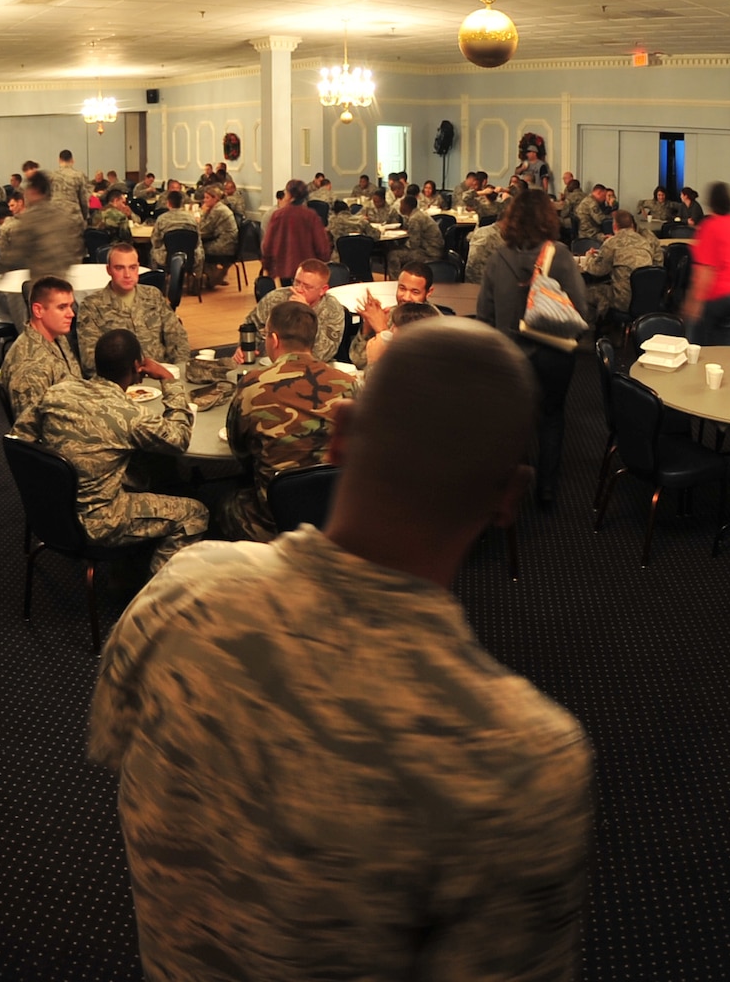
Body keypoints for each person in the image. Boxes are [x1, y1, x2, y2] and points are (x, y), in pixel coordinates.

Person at [90, 319, 593, 981]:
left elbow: (110, 745)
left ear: (342, 433)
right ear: (509, 498)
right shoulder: (524, 763)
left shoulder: (182, 592)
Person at [15, 328, 209, 569]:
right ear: (137, 367)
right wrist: (169, 381)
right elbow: (179, 439)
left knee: (145, 468)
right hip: (97, 521)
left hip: (52, 507)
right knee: (195, 514)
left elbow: (20, 438)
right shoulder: (130, 415)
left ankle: (125, 572)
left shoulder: (57, 392)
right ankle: (156, 597)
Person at [477, 185, 588, 510]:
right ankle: (547, 489)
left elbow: (485, 314)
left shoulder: (498, 259)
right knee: (552, 417)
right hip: (554, 353)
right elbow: (580, 308)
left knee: (512, 420)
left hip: (509, 355)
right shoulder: (562, 255)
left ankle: (512, 484)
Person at [215, 301, 359, 544]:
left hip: (274, 519)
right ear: (312, 340)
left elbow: (239, 449)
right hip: (336, 514)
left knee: (226, 503)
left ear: (273, 338)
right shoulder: (348, 383)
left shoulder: (253, 384)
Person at [80, 243, 188, 375]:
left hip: (162, 374)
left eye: (132, 268)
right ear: (109, 270)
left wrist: (178, 372)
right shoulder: (92, 306)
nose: (127, 274)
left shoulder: (153, 296)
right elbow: (90, 360)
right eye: (119, 268)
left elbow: (177, 338)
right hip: (120, 383)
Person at [680, 181, 730, 346]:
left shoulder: (709, 226)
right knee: (724, 339)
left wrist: (694, 302)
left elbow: (705, 270)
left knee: (696, 339)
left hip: (718, 293)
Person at [0, 275, 81, 416]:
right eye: (62, 307)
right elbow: (31, 429)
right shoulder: (29, 367)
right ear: (38, 310)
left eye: (70, 306)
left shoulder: (57, 336)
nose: (71, 314)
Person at [244, 260, 347, 362]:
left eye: (307, 287)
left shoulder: (332, 309)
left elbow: (321, 355)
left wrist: (306, 313)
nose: (299, 289)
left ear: (322, 290)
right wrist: (244, 347)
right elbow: (250, 326)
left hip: (310, 368)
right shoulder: (275, 298)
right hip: (269, 363)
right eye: (297, 282)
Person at [0, 170, 83, 286]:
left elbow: (15, 253)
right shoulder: (62, 216)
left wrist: (0, 275)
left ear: (34, 191)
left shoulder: (30, 219)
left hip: (42, 283)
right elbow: (76, 248)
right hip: (64, 281)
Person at [581, 209, 657, 322]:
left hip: (623, 300)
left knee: (584, 292)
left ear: (614, 226)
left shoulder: (612, 243)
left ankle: (592, 332)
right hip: (646, 299)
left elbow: (598, 270)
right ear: (632, 225)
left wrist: (588, 258)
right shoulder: (645, 242)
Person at [263, 180, 330, 285]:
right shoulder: (311, 216)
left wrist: (268, 266)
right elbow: (322, 245)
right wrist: (322, 262)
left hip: (285, 268)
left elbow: (268, 244)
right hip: (308, 269)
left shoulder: (278, 215)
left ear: (289, 195)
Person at [392, 188, 445, 270]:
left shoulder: (415, 219)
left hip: (429, 253)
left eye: (401, 205)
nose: (400, 207)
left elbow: (414, 244)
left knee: (393, 255)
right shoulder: (419, 214)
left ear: (407, 206)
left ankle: (395, 281)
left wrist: (401, 246)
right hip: (434, 249)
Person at [149, 189, 200, 269]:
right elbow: (198, 241)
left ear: (168, 203)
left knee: (152, 250)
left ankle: (156, 277)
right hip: (190, 257)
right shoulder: (192, 219)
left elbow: (155, 241)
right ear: (181, 203)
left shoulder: (162, 219)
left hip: (167, 258)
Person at [199, 188, 238, 276]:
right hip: (229, 242)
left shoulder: (218, 210)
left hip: (224, 246)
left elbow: (204, 229)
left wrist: (203, 213)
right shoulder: (219, 207)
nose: (204, 200)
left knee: (197, 250)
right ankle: (214, 275)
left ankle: (212, 277)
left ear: (215, 198)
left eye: (207, 198)